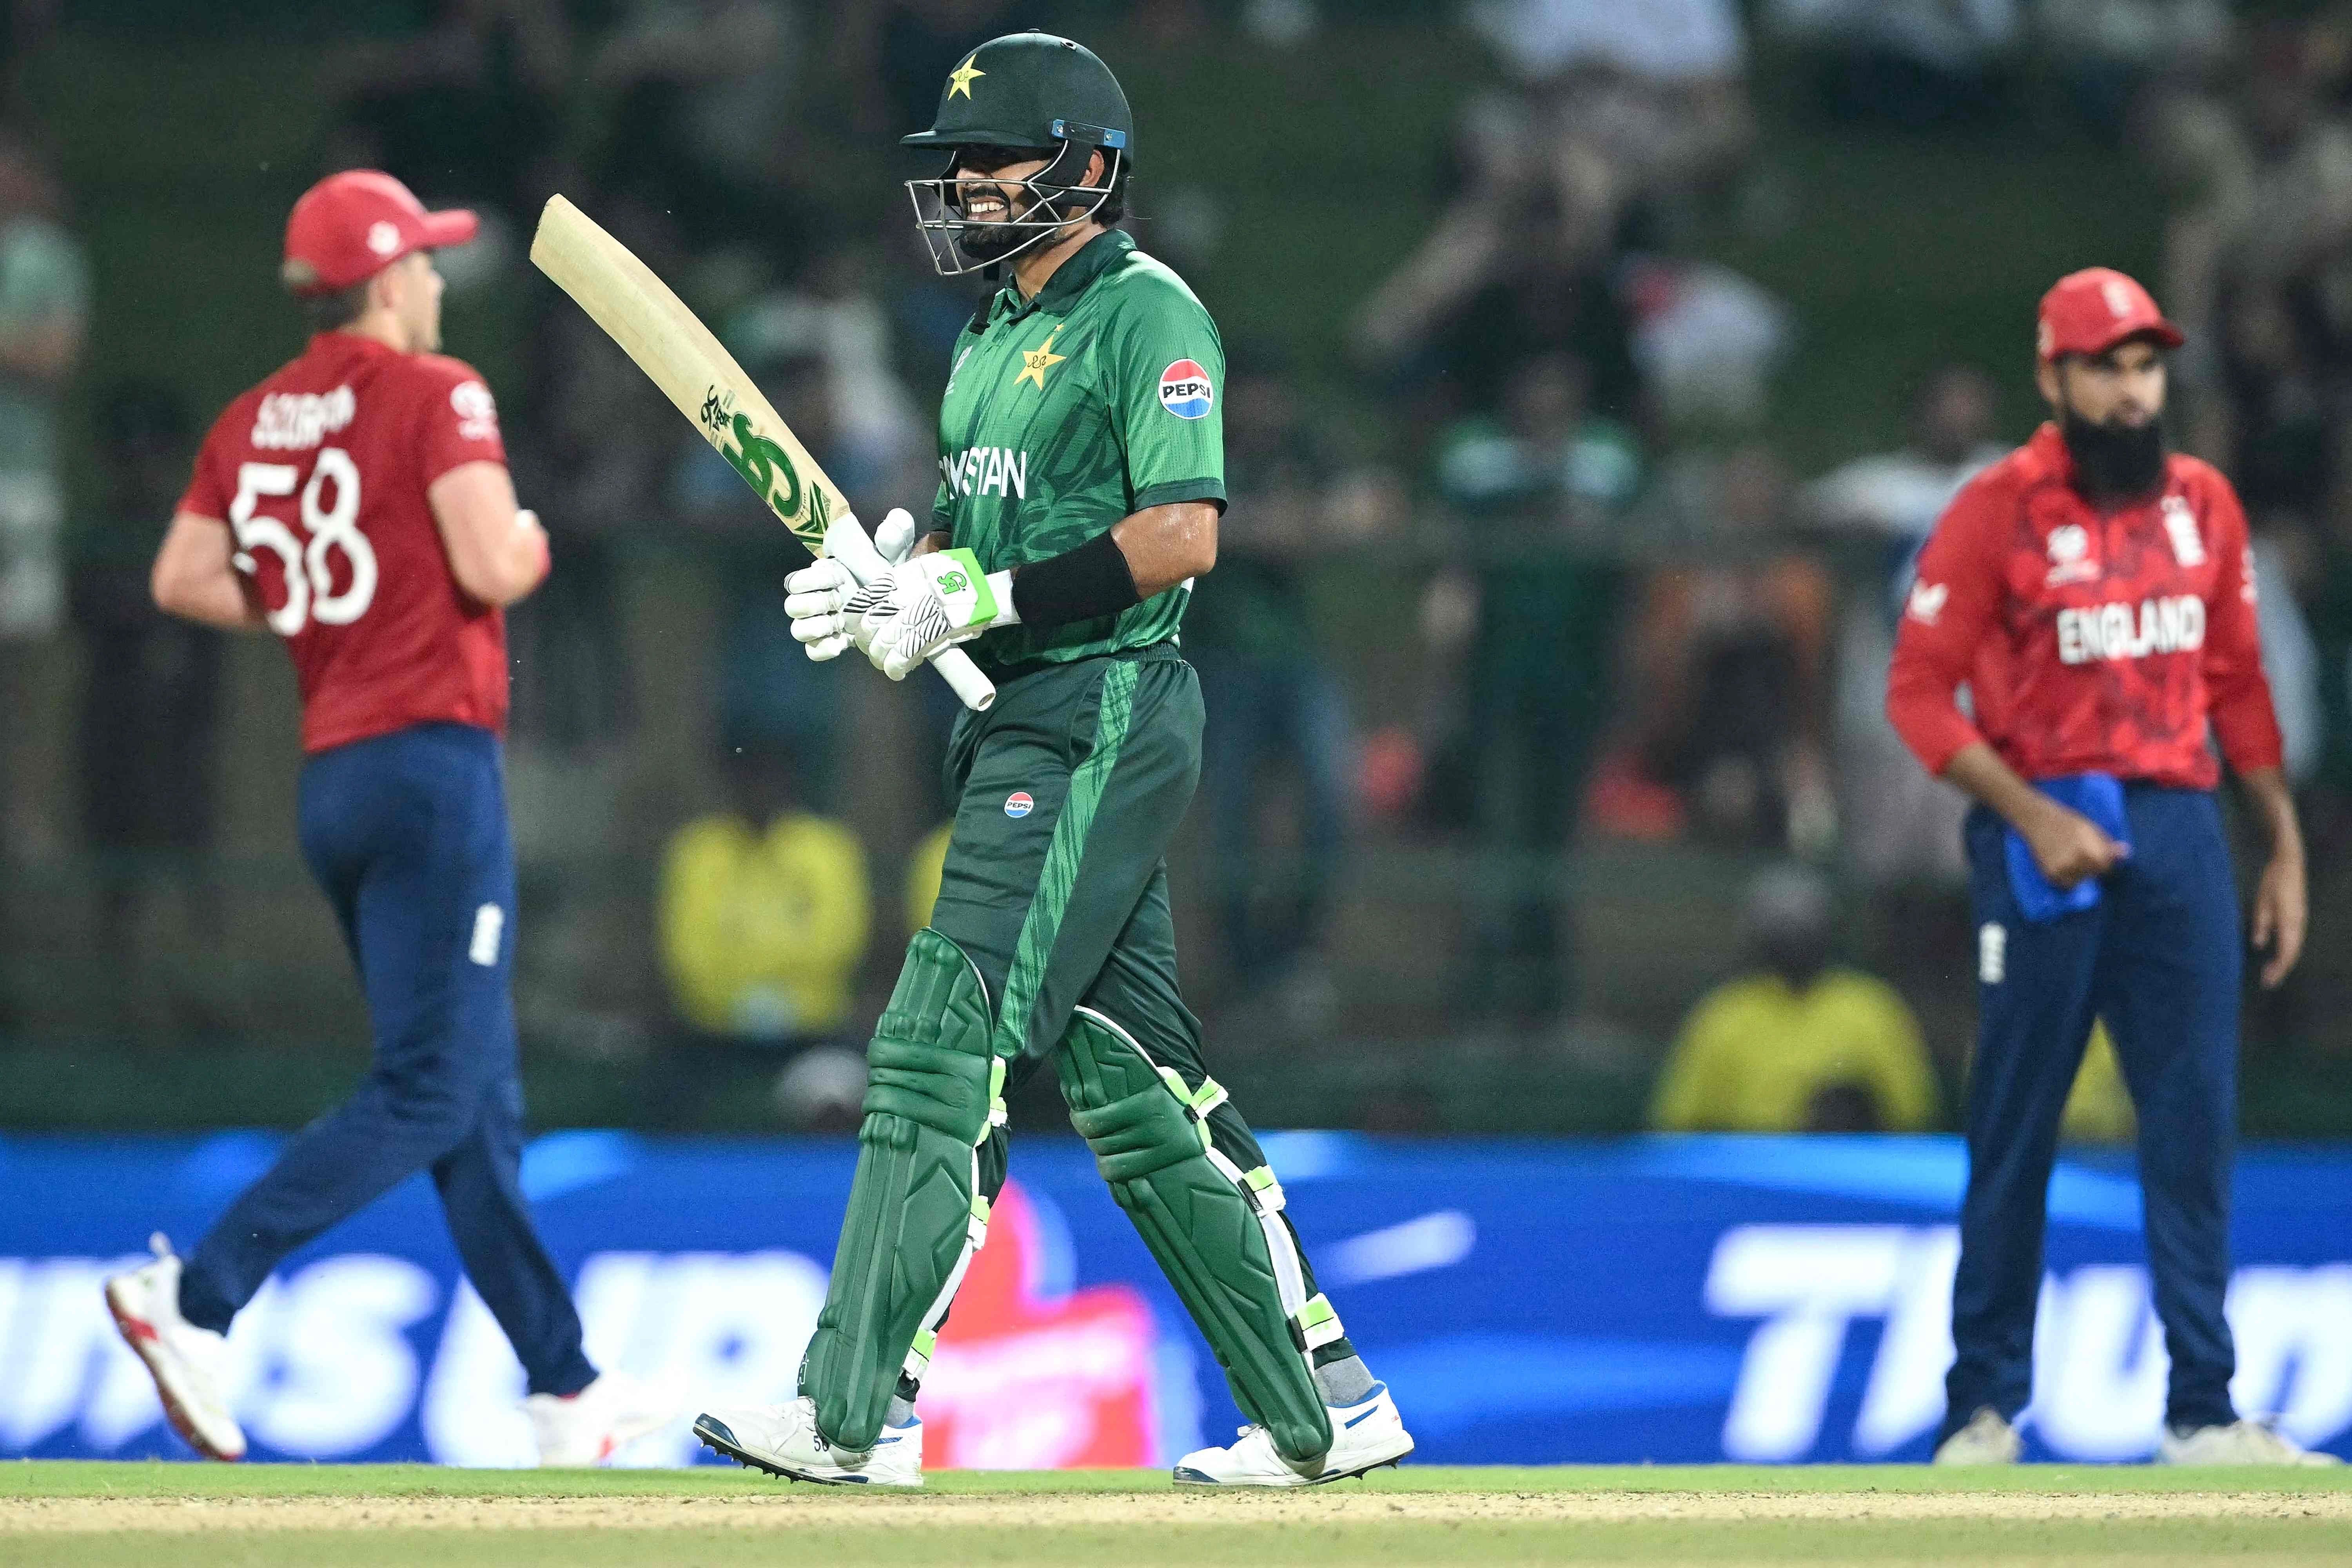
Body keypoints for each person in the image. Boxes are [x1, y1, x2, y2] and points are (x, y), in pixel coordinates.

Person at [697, 32, 1412, 1489]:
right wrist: (896, 591)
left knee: (935, 1026)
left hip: (1102, 706)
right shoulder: (975, 346)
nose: (961, 187)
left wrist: (987, 598)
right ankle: (1324, 1401)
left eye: (991, 160)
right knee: (1133, 1082)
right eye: (950, 166)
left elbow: (1182, 533)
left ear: (1087, 169)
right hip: (1019, 714)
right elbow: (985, 552)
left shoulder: (1147, 313)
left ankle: (853, 1412)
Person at [102, 171, 668, 1466]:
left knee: (476, 1095)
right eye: (420, 260)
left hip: (336, 782)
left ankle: (565, 1386)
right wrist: (529, 536)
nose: (431, 280)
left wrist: (326, 616)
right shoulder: (438, 393)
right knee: (429, 1090)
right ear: (383, 277)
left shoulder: (251, 420)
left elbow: (184, 578)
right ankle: (196, 1296)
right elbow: (490, 563)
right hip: (432, 772)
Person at [1886, 266, 2332, 1468]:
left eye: (2145, 369)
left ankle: (2199, 1407)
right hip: (2046, 821)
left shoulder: (2201, 504)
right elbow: (1917, 695)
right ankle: (1979, 1407)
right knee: (2013, 1120)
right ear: (2053, 377)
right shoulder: (1996, 509)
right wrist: (2028, 815)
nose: (2132, 394)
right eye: (2106, 369)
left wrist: (2278, 842)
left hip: (2178, 823)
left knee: (2191, 1117)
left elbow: (2236, 685)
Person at [1650, 866, 1938, 1134]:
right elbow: (1677, 1123)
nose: (1794, 943)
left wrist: (1859, 1112)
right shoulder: (1727, 1012)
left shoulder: (1870, 1005)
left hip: (1848, 1173)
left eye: (1804, 930)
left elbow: (1913, 1113)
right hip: (1750, 1176)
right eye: (1782, 932)